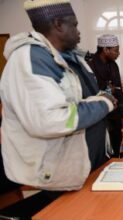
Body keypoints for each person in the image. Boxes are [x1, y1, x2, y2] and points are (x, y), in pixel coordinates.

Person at [0, 0, 116, 192]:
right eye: (75, 25)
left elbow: (87, 98)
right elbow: (51, 120)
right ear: (59, 24)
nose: (79, 31)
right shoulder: (30, 60)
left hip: (89, 163)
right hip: (58, 174)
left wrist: (100, 100)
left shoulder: (72, 57)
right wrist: (104, 104)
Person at [88, 34, 123, 157]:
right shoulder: (90, 64)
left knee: (117, 135)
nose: (118, 53)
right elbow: (90, 90)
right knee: (102, 140)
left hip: (114, 108)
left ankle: (116, 158)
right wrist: (107, 90)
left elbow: (118, 88)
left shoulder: (113, 65)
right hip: (98, 110)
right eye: (116, 50)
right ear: (105, 49)